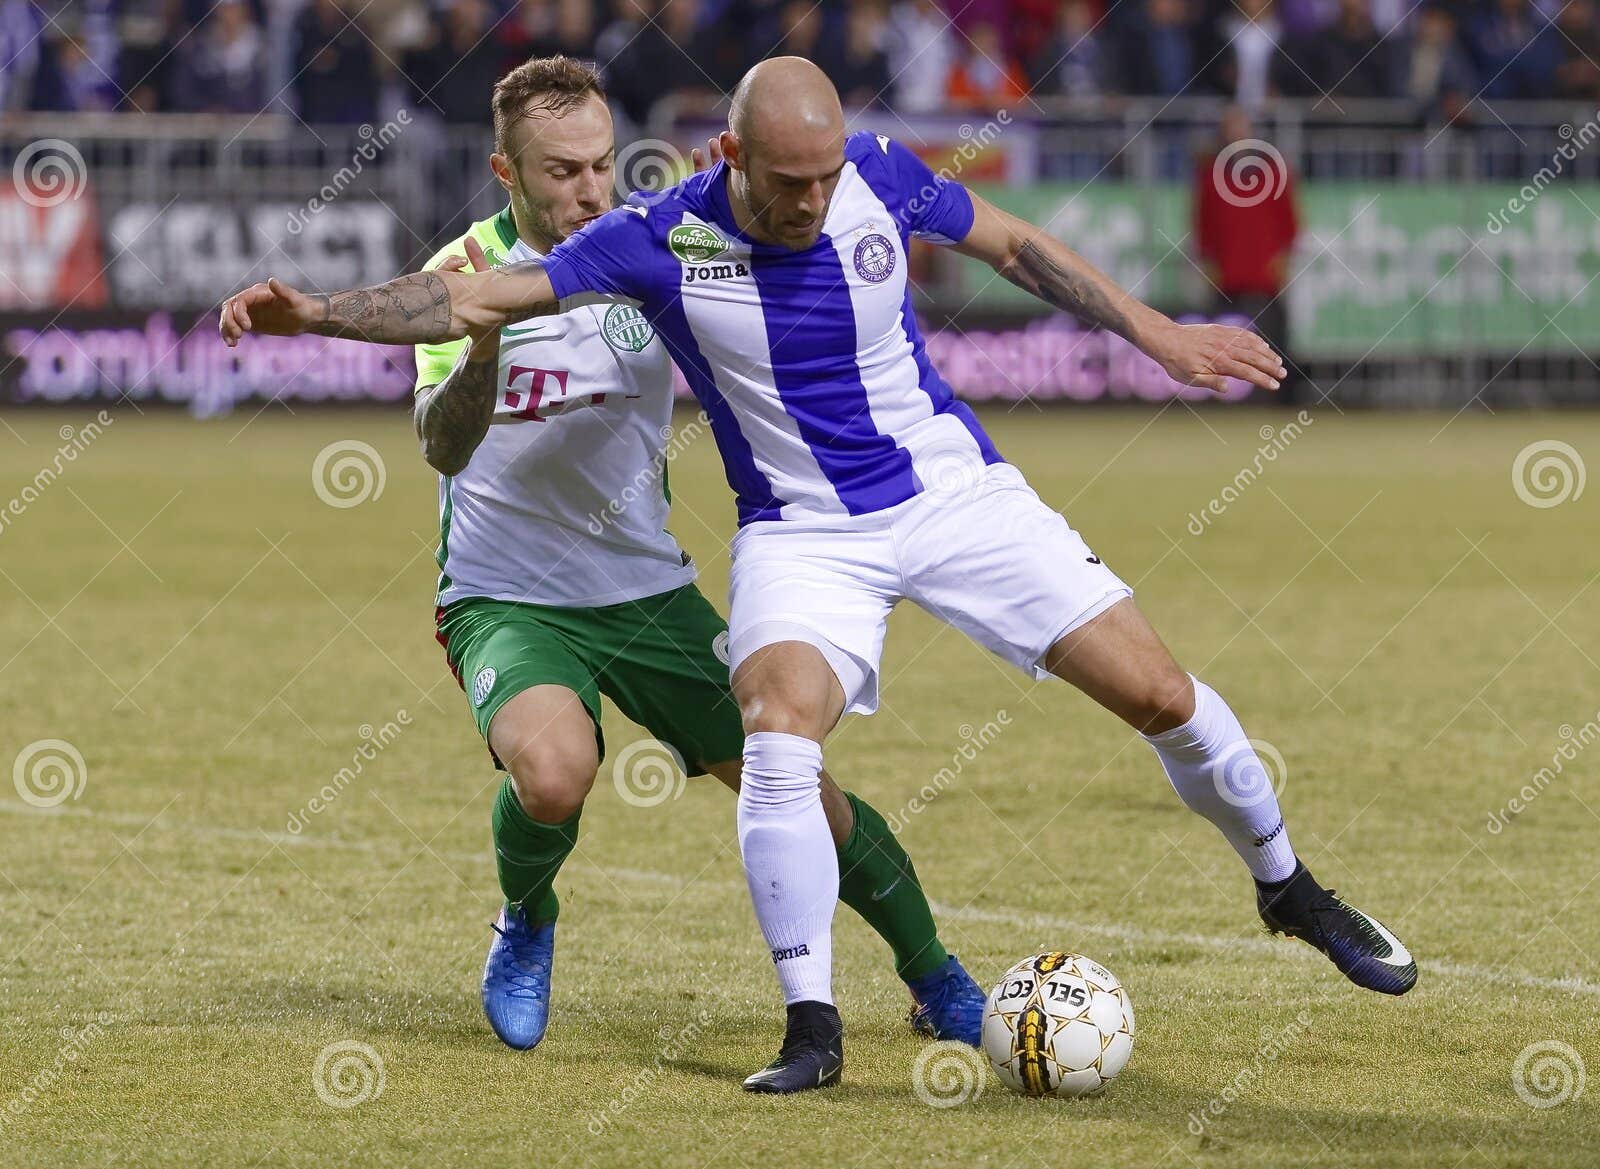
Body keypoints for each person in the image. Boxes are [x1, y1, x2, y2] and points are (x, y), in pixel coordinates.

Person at [219, 57, 1419, 1096]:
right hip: (793, 532)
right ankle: (811, 1024)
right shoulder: (657, 239)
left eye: (825, 175)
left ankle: (1287, 886)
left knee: (1159, 694)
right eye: (787, 181)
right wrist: (316, 312)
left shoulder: (879, 174)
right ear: (727, 153)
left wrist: (1154, 332)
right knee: (774, 737)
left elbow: (1009, 242)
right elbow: (466, 294)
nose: (812, 200)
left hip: (951, 495)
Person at [337, 54, 984, 1059]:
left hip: (647, 589)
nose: (588, 187)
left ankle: (934, 973)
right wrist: (480, 347)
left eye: (599, 163)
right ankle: (527, 917)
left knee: (795, 780)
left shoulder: (666, 245)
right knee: (555, 773)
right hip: (506, 595)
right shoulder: (462, 275)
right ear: (507, 173)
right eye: (559, 172)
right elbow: (440, 445)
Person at [1193, 106, 1299, 400]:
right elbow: (1204, 223)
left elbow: (1287, 222)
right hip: (1226, 273)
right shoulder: (1211, 175)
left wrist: (1283, 261)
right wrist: (1207, 262)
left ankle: (1278, 395)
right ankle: (1223, 395)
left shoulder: (1273, 172)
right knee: (1221, 339)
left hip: (1264, 273)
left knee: (1273, 338)